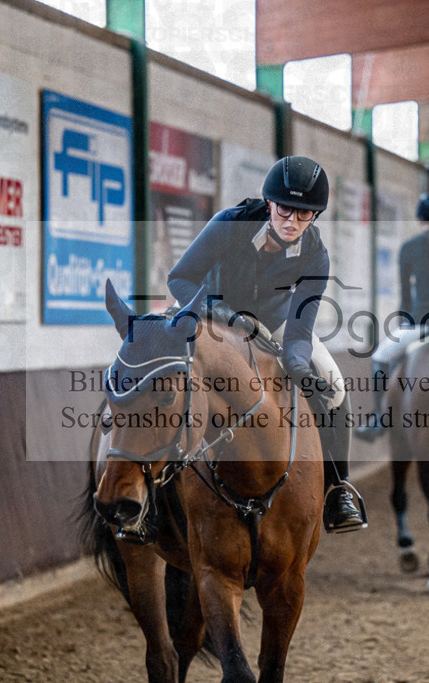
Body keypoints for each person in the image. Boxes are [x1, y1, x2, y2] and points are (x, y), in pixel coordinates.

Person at [167, 155, 366, 533]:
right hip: (208, 311)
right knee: (154, 366)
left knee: (334, 386)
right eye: (285, 209)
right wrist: (225, 314)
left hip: (270, 326)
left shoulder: (315, 255)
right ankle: (135, 476)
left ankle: (337, 487)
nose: (292, 221)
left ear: (315, 216)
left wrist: (300, 366)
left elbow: (299, 329)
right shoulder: (229, 224)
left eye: (304, 214)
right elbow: (180, 279)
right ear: (270, 202)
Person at [354, 192, 429, 442]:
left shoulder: (409, 248)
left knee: (380, 357)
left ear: (420, 217)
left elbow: (405, 297)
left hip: (422, 321)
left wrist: (405, 320)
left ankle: (380, 417)